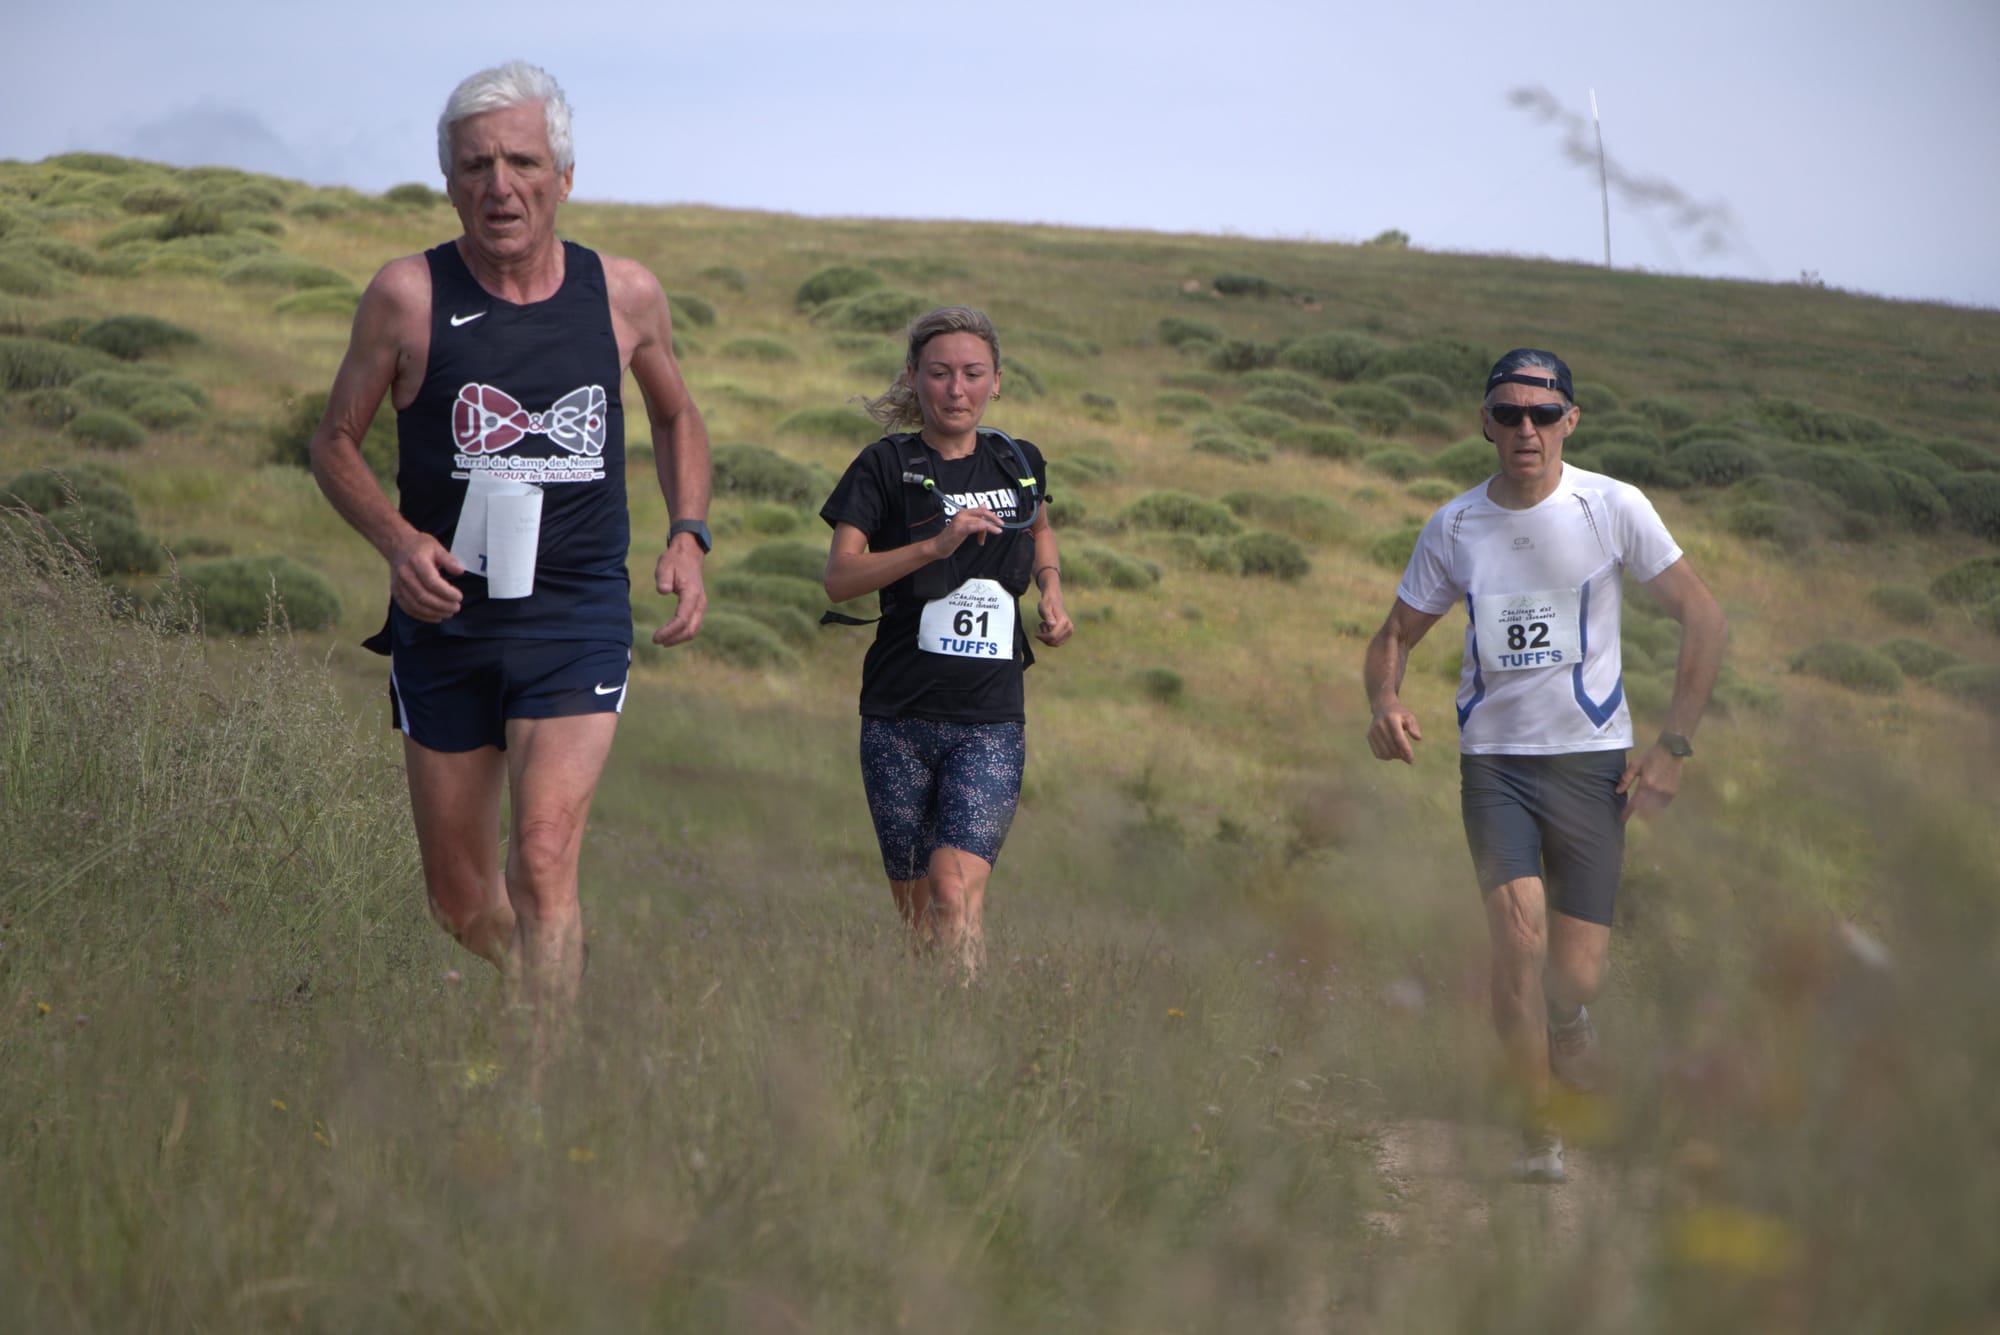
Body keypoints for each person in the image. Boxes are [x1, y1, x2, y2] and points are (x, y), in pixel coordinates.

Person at [309, 62, 711, 1079]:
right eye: (478, 164)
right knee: (459, 900)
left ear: (563, 177)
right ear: (448, 179)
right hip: (444, 622)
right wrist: (400, 543)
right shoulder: (407, 296)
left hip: (574, 615)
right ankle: (550, 977)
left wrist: (687, 532)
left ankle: (545, 1089)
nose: (501, 185)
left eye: (522, 162)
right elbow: (335, 444)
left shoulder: (621, 294)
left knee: (541, 860)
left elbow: (674, 413)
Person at [1362, 348, 1726, 1183]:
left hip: (1591, 765)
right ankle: (1536, 1130)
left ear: (1571, 419)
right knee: (1516, 940)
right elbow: (1393, 637)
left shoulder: (1612, 507)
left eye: (1542, 412)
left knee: (1576, 970)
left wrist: (1672, 746)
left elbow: (1704, 619)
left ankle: (1569, 1020)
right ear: (1484, 422)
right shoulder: (1454, 525)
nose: (1525, 428)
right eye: (1507, 413)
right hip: (1494, 766)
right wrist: (1386, 700)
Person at [820, 307, 1073, 975]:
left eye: (971, 373)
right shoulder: (883, 467)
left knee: (953, 892)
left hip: (989, 721)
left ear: (996, 381)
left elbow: (1039, 526)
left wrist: (1050, 587)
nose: (955, 389)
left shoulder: (1019, 460)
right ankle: (936, 1036)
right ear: (914, 378)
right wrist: (934, 544)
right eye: (939, 373)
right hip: (898, 717)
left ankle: (968, 1034)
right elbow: (840, 578)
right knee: (920, 921)